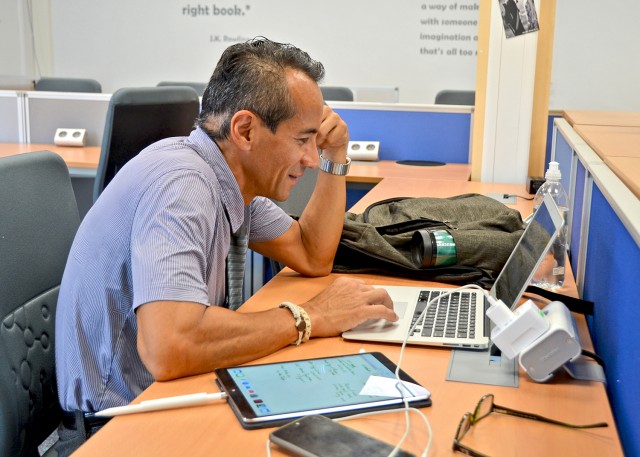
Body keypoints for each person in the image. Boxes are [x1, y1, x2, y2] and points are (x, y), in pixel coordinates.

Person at [53, 37, 397, 453]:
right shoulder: (184, 185)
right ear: (246, 130)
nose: (309, 158)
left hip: (162, 398)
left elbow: (311, 253)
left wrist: (335, 156)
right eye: (302, 140)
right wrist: (307, 317)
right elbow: (169, 346)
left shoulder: (232, 181)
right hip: (114, 428)